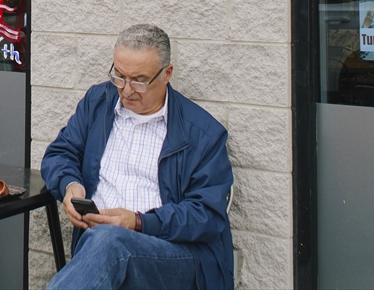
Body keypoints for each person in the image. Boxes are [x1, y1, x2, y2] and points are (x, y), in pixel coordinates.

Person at [40, 24, 233, 290]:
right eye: (119, 76)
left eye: (139, 80)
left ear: (167, 74)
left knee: (112, 241)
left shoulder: (203, 134)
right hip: (97, 243)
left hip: (173, 255)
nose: (127, 89)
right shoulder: (98, 102)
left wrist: (139, 222)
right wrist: (70, 185)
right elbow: (60, 153)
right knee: (106, 242)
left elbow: (208, 215)